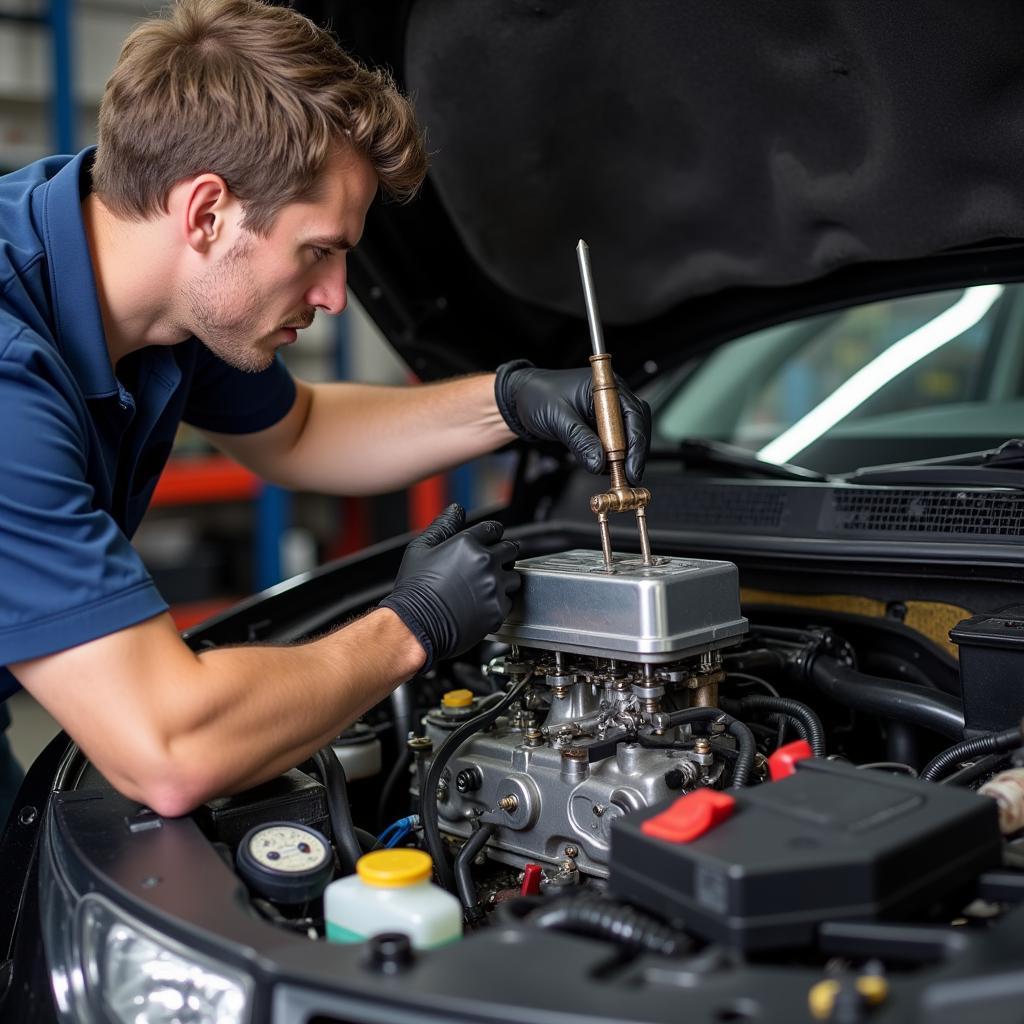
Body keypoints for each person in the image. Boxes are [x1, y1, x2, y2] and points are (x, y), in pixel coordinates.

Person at [0, 0, 650, 828]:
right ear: (206, 213)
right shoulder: (9, 379)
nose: (336, 297)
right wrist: (410, 626)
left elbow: (300, 432)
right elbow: (165, 750)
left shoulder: (150, 281)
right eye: (319, 250)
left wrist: (509, 399)